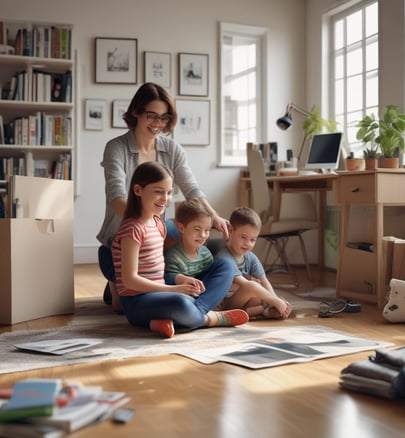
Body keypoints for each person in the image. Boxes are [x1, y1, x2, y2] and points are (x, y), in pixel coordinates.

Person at [97, 82, 229, 310]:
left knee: (192, 233)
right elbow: (116, 197)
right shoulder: (116, 148)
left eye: (164, 118)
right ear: (136, 112)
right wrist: (145, 225)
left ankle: (190, 290)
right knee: (119, 308)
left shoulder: (173, 150)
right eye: (151, 116)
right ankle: (120, 282)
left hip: (158, 229)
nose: (158, 124)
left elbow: (192, 190)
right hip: (126, 231)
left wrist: (213, 216)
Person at [111, 161, 249, 338]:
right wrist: (175, 290)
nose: (165, 198)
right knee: (181, 302)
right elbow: (130, 281)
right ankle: (211, 317)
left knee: (227, 267)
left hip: (161, 292)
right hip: (138, 301)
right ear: (138, 190)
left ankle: (175, 318)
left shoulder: (157, 223)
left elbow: (164, 268)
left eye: (168, 193)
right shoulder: (132, 229)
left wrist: (183, 282)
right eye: (158, 192)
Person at [216, 207, 293, 319]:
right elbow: (247, 285)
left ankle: (260, 310)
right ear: (231, 230)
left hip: (244, 299)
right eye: (243, 237)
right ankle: (259, 310)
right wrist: (274, 300)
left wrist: (274, 301)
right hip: (224, 305)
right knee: (253, 285)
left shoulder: (250, 257)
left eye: (253, 240)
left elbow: (264, 280)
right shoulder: (224, 258)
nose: (248, 244)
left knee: (259, 285)